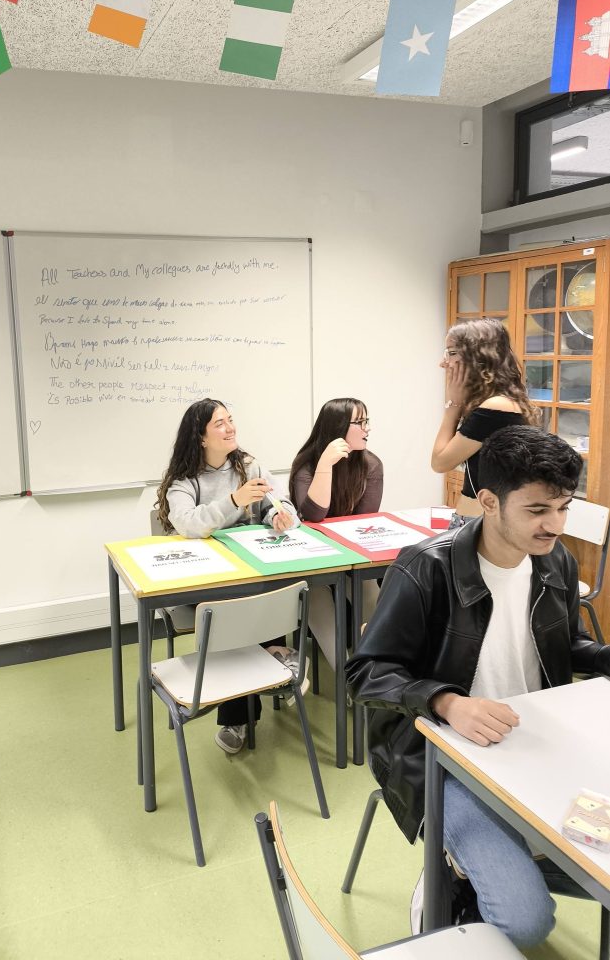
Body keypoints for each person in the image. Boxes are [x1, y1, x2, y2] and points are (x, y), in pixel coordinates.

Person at [346, 425, 610, 949]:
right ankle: (451, 875)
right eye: (538, 510)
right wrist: (446, 702)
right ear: (489, 502)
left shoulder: (554, 561)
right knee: (526, 922)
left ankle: (487, 866)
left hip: (531, 742)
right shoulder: (426, 567)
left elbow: (567, 647)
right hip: (441, 758)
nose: (555, 525)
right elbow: (365, 672)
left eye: (564, 508)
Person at [156, 398, 303, 756]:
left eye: (230, 419)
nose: (230, 427)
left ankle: (239, 714)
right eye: (219, 423)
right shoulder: (183, 480)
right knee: (235, 611)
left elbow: (281, 505)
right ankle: (275, 655)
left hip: (247, 573)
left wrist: (278, 517)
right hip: (204, 581)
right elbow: (188, 524)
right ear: (201, 436)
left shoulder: (249, 466)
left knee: (262, 594)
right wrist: (234, 501)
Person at [289, 397, 383, 669]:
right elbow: (314, 516)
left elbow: (364, 523)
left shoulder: (371, 465)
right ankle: (346, 675)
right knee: (315, 593)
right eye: (360, 422)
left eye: (367, 421)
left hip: (351, 554)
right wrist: (325, 466)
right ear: (339, 427)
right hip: (312, 557)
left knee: (368, 589)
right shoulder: (307, 465)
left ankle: (375, 669)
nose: (367, 428)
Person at [431, 318, 539, 530]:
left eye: (452, 353)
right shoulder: (496, 403)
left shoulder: (497, 407)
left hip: (481, 526)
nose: (444, 363)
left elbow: (440, 462)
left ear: (478, 358)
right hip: (476, 522)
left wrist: (453, 405)